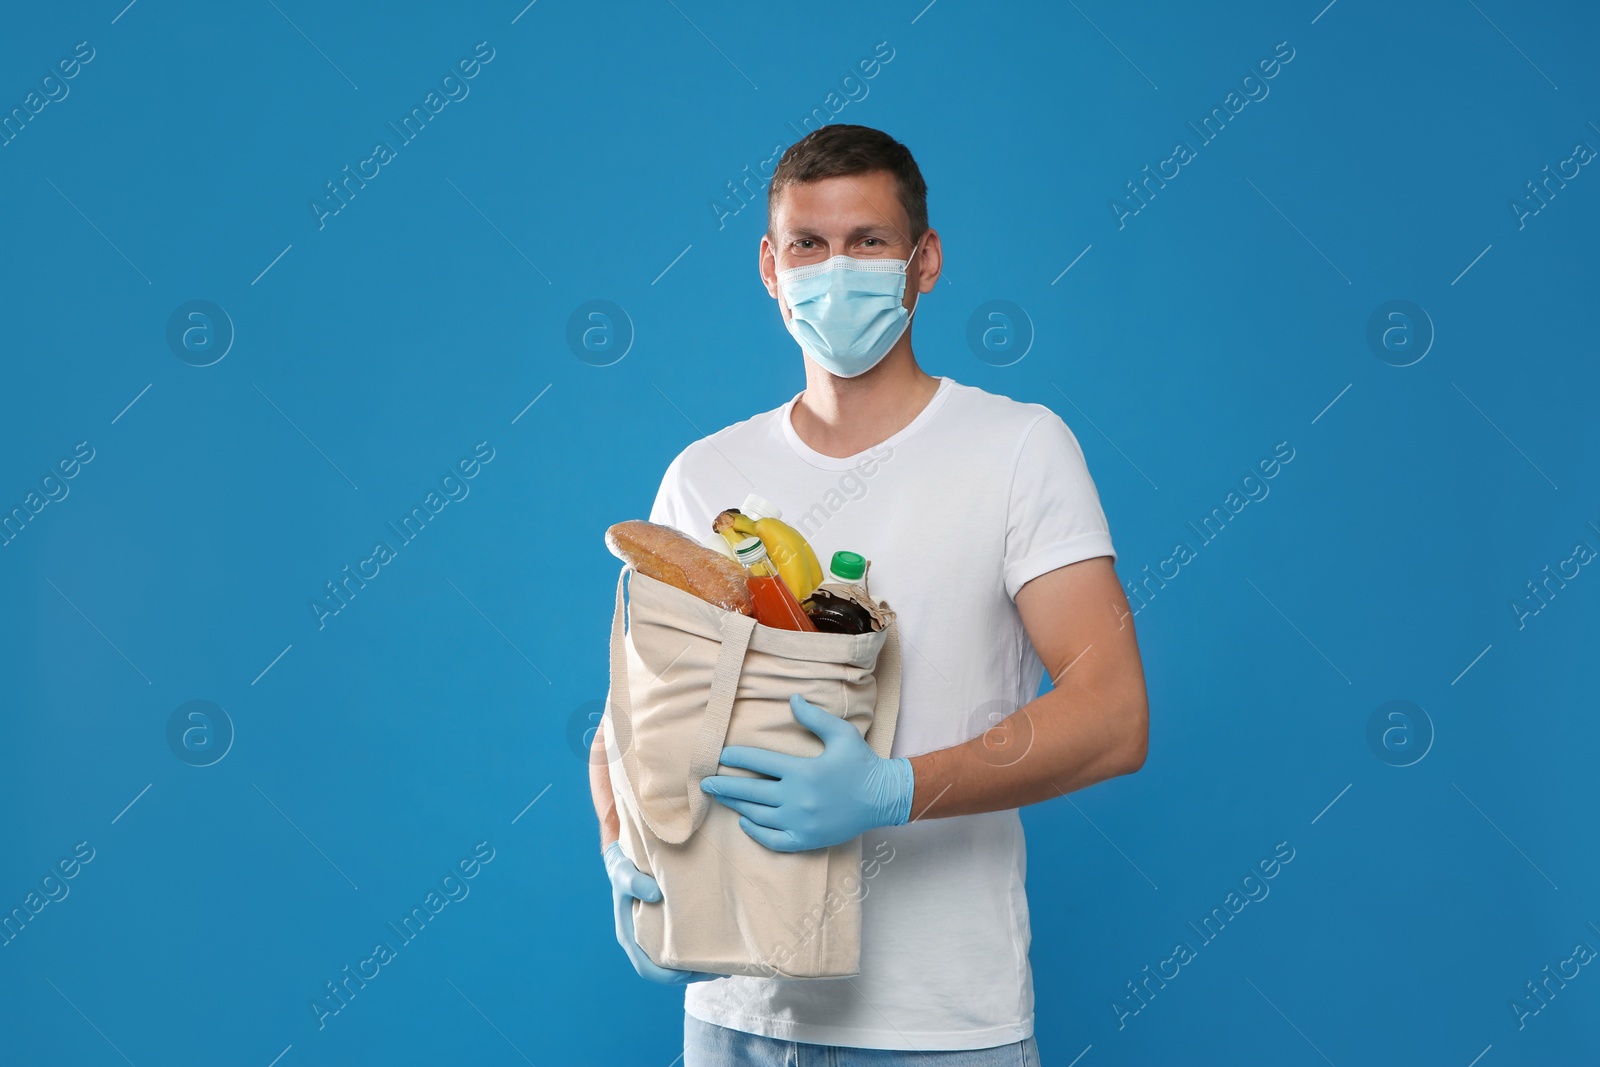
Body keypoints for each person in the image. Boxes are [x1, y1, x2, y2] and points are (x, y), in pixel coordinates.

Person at [590, 124, 1149, 1065]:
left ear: (923, 262)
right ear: (770, 267)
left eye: (869, 242)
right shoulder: (704, 476)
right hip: (736, 1019)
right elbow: (631, 722)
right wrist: (624, 849)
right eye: (808, 244)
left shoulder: (1015, 449)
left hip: (939, 1026)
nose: (834, 270)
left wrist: (893, 791)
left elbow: (1113, 715)